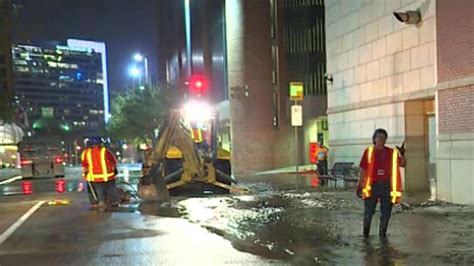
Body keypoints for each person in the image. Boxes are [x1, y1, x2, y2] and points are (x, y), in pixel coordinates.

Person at [356, 128, 406, 238]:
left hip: (387, 186)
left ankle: (382, 236)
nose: (381, 140)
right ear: (374, 139)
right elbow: (363, 169)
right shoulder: (368, 152)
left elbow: (402, 164)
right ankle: (365, 236)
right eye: (379, 137)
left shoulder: (391, 153)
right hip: (371, 186)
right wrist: (359, 184)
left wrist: (402, 154)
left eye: (383, 138)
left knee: (386, 214)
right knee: (368, 213)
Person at [81, 136, 118, 212]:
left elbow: (85, 165)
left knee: (99, 190)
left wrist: (85, 173)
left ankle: (101, 202)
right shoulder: (105, 151)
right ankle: (113, 201)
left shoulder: (86, 153)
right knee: (111, 189)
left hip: (95, 177)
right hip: (108, 176)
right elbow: (113, 161)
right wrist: (114, 170)